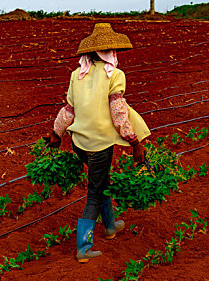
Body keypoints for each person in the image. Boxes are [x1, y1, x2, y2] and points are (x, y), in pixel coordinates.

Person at [46, 23, 150, 263]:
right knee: (94, 192)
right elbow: (118, 112)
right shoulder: (115, 75)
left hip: (79, 142)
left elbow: (68, 109)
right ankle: (83, 247)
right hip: (100, 145)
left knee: (101, 181)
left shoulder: (76, 74)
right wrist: (134, 141)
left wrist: (56, 133)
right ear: (110, 52)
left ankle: (111, 227)